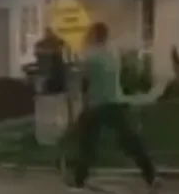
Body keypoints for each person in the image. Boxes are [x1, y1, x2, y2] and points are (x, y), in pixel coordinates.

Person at [68, 22, 159, 193]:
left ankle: (79, 181)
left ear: (94, 36)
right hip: (115, 103)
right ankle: (150, 175)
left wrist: (79, 105)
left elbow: (82, 81)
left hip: (96, 106)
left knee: (87, 144)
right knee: (130, 140)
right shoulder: (112, 53)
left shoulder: (90, 56)